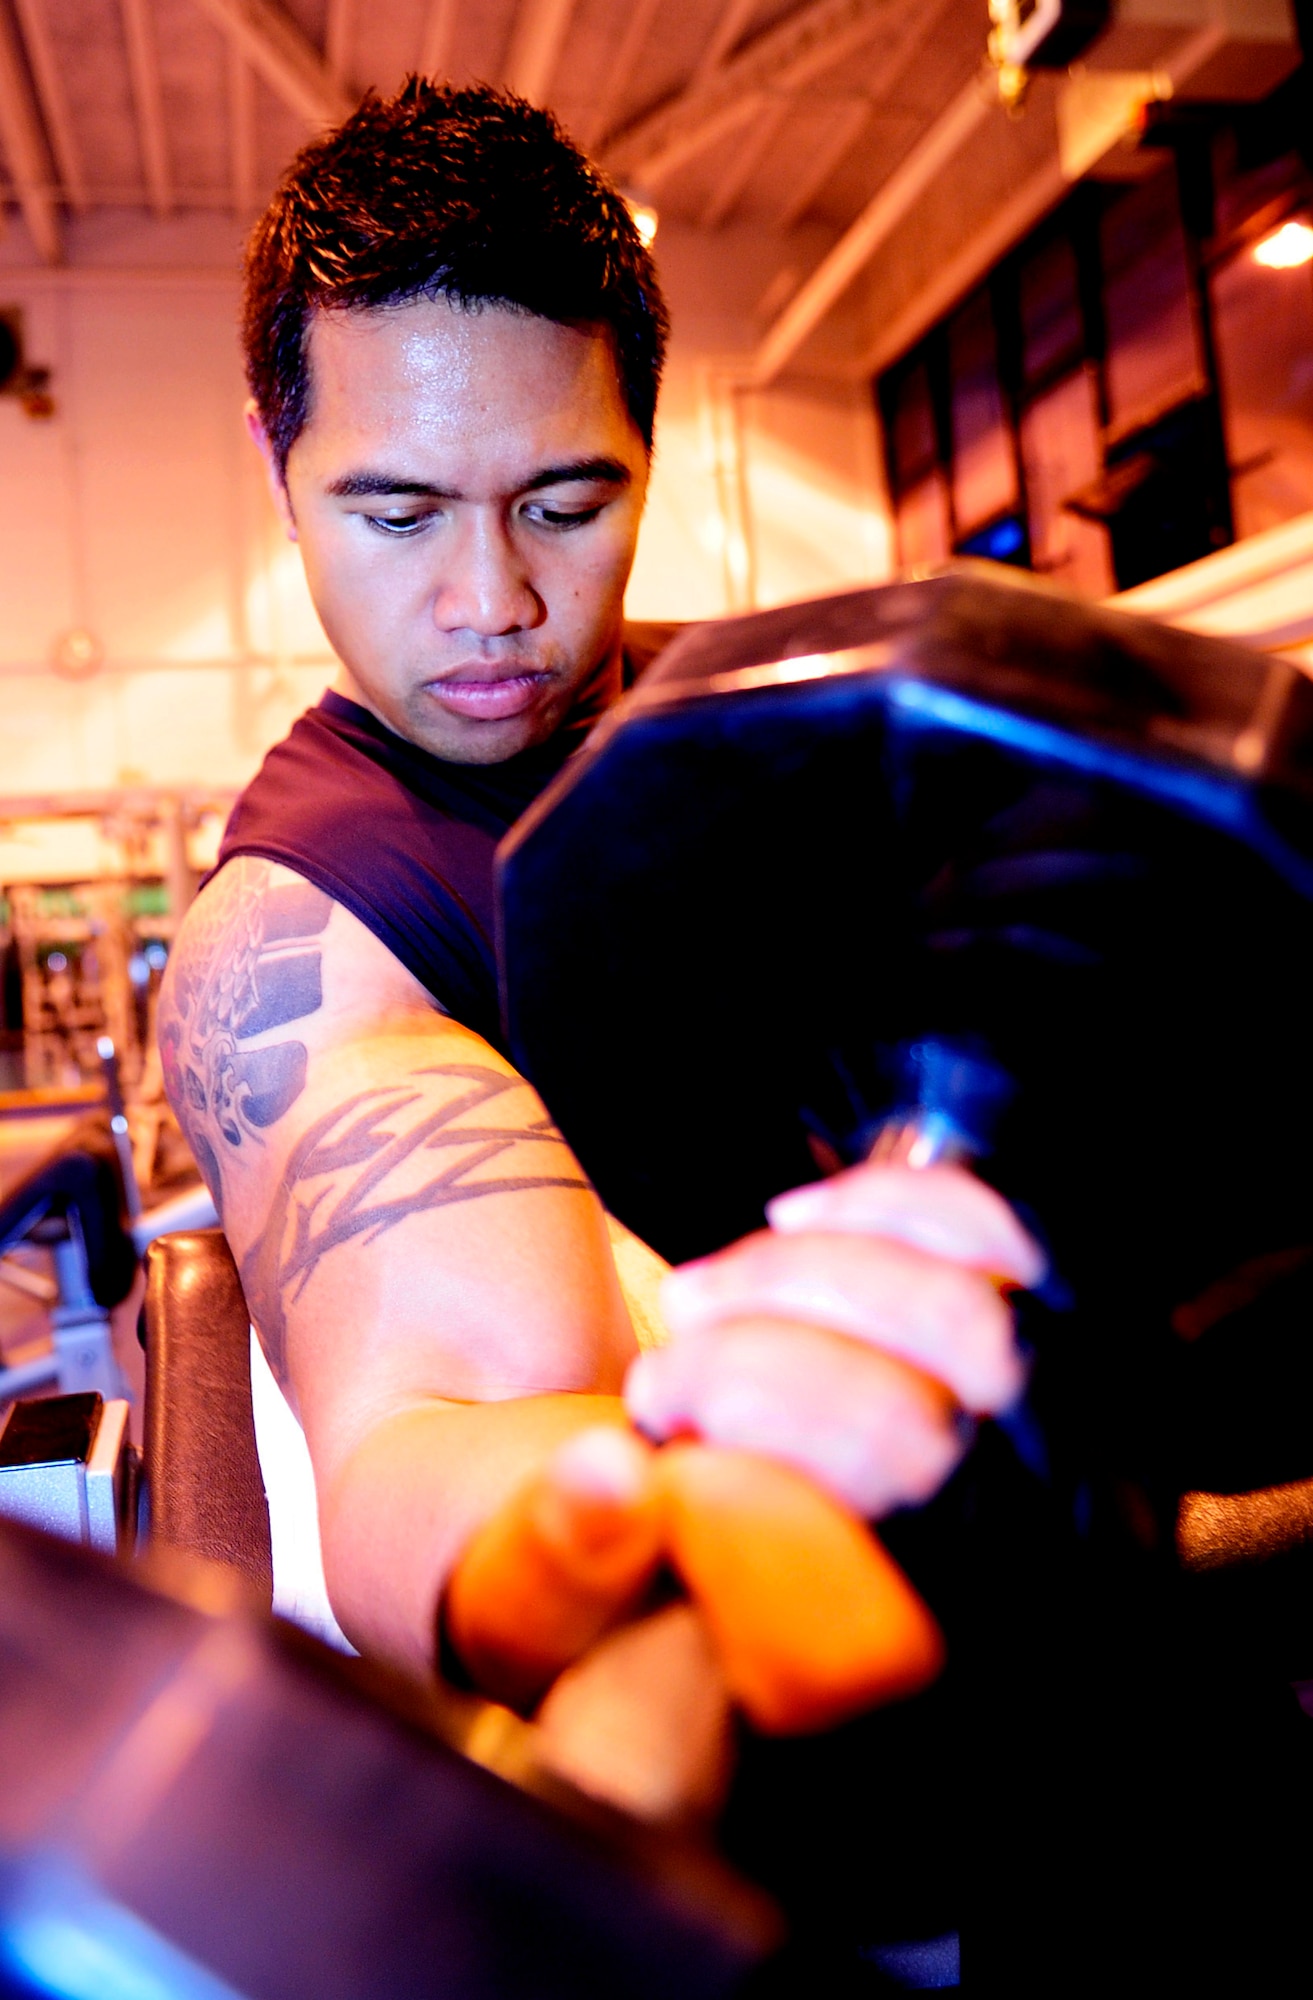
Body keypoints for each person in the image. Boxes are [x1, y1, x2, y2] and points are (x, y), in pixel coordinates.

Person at [157, 79, 1038, 1739]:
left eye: (567, 504)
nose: (494, 603)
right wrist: (648, 1490)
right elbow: (425, 1438)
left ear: (647, 444)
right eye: (397, 511)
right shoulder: (308, 936)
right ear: (278, 465)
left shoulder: (758, 728)